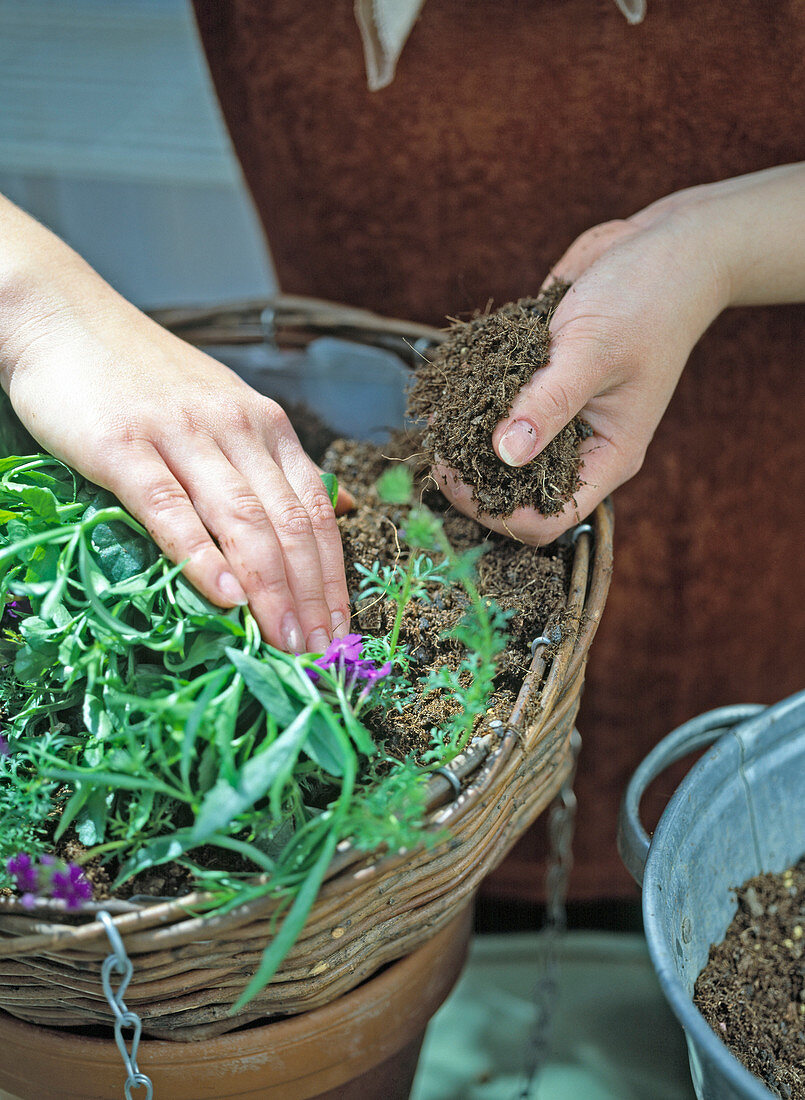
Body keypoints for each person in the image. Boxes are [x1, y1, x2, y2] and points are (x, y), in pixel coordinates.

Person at [1, 0, 803, 901]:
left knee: (729, 860)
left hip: (768, 511)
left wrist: (719, 242)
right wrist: (38, 305)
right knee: (415, 908)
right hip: (400, 445)